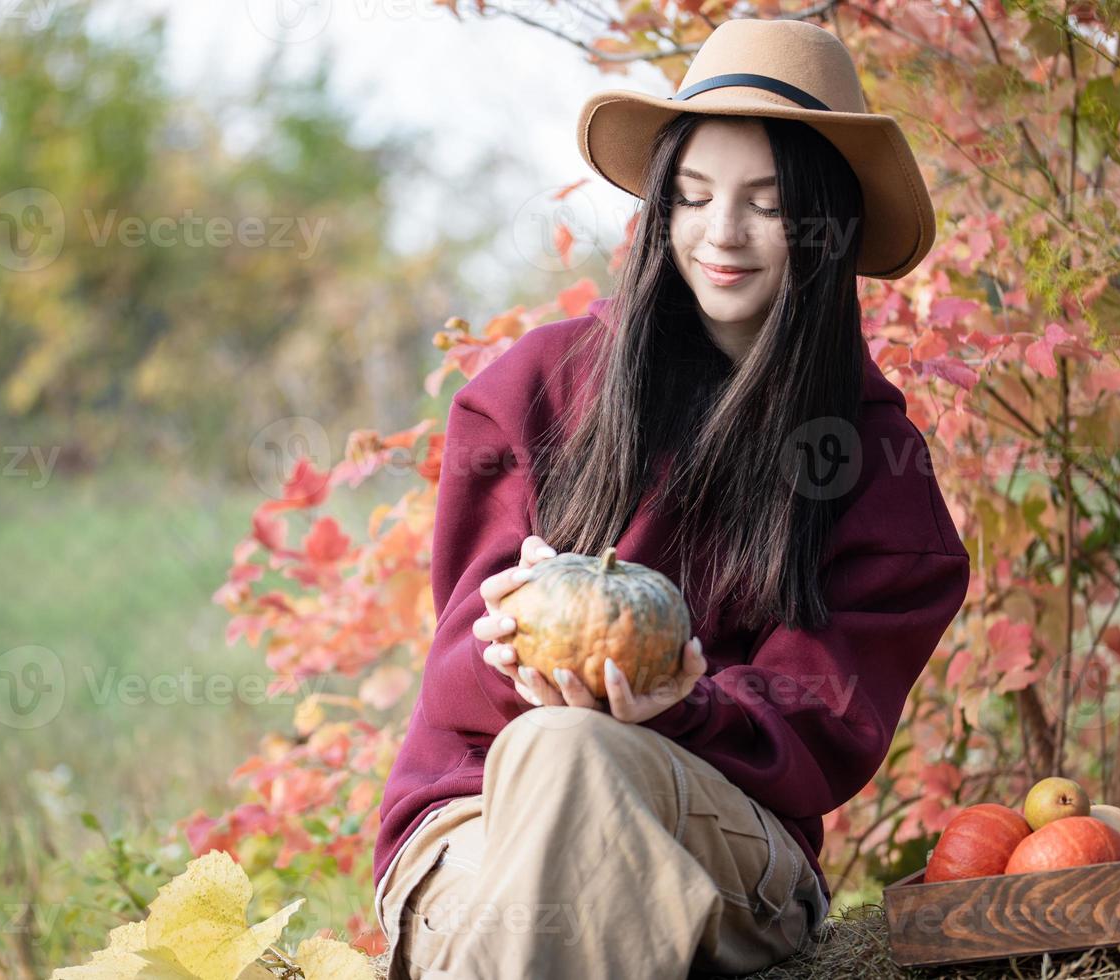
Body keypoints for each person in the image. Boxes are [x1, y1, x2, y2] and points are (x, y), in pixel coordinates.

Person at [372, 16, 970, 979]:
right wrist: (511, 657)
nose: (720, 234)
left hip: (724, 841)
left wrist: (675, 704)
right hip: (474, 824)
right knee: (557, 750)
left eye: (766, 206)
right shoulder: (534, 389)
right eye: (691, 198)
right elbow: (449, 685)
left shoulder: (874, 467)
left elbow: (820, 733)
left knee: (575, 751)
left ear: (825, 228)